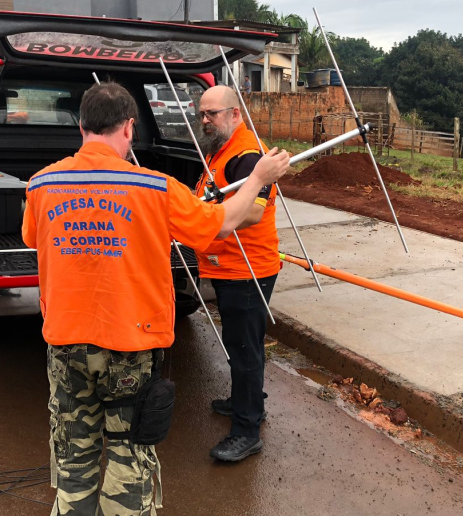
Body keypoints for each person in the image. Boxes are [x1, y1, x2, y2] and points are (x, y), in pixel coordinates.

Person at [22, 82, 289, 515]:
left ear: (81, 126)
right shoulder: (156, 189)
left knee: (74, 457)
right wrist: (258, 178)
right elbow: (222, 223)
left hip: (66, 343)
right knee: (129, 457)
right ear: (129, 128)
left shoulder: (41, 184)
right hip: (132, 346)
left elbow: (33, 238)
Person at [194, 85, 280, 463]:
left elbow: (251, 212)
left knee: (245, 351)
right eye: (202, 114)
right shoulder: (223, 149)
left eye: (213, 113)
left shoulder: (246, 155)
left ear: (235, 114)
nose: (206, 120)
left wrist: (204, 224)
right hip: (229, 266)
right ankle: (248, 400)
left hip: (248, 270)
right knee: (240, 343)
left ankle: (247, 430)